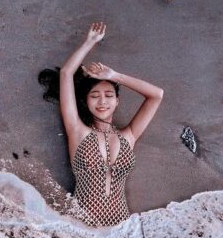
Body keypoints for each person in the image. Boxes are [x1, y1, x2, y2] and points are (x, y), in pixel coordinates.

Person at [39, 22, 164, 227]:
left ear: (117, 101)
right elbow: (66, 74)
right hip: (82, 225)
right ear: (86, 102)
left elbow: (156, 95)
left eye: (108, 95)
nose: (102, 101)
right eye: (95, 96)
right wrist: (89, 42)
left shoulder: (129, 136)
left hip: (120, 226)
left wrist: (114, 76)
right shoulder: (77, 131)